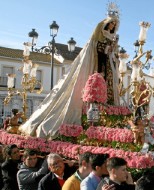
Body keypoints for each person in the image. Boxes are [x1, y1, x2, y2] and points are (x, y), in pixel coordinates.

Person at [19, 3, 121, 139]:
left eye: (114, 25)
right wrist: (106, 50)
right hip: (99, 63)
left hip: (108, 65)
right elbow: (98, 50)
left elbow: (111, 54)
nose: (113, 27)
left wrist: (113, 50)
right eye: (111, 24)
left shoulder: (112, 37)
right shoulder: (100, 35)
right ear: (106, 24)